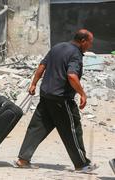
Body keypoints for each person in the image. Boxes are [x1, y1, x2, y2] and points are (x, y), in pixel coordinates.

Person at [15, 29, 98, 173]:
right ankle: (82, 164)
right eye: (90, 43)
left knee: (37, 128)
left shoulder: (57, 47)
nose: (90, 46)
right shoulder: (75, 54)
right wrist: (82, 94)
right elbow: (72, 75)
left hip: (46, 95)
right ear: (83, 41)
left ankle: (23, 159)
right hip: (62, 98)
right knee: (72, 130)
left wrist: (34, 83)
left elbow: (42, 65)